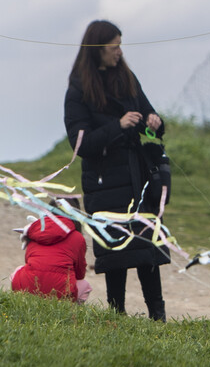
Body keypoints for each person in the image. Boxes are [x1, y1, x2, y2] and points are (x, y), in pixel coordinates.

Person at [63, 20, 170, 321]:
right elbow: (80, 143)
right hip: (105, 183)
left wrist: (155, 122)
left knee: (147, 250)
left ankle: (158, 316)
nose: (120, 53)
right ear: (98, 50)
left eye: (121, 46)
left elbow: (151, 114)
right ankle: (116, 314)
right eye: (114, 48)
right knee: (115, 254)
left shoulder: (128, 78)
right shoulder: (78, 90)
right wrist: (117, 126)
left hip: (139, 178)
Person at [10, 198, 92, 303]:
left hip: (29, 287)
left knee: (18, 271)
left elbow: (28, 260)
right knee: (85, 286)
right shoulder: (77, 237)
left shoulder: (36, 230)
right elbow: (80, 274)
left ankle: (20, 301)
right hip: (61, 292)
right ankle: (71, 311)